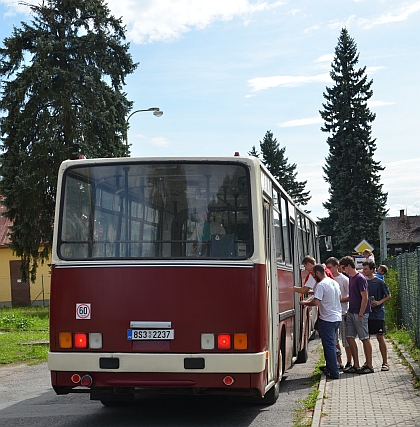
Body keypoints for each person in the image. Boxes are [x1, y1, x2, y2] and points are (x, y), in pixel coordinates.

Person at [299, 264, 342, 379]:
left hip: (327, 319)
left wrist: (304, 303)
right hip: (337, 317)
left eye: (313, 274)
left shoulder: (321, 285)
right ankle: (331, 365)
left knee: (328, 346)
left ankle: (333, 372)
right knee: (331, 344)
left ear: (318, 273)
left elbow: (315, 302)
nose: (313, 276)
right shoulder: (334, 283)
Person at [339, 256, 374, 374]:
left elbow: (365, 297)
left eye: (343, 268)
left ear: (349, 266)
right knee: (349, 337)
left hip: (360, 313)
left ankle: (369, 365)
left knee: (364, 338)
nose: (343, 270)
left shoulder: (359, 278)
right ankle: (356, 364)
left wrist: (361, 313)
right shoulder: (351, 278)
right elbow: (353, 296)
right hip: (352, 311)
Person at [362, 261, 392, 371]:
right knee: (366, 338)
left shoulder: (379, 282)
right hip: (366, 313)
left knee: (380, 336)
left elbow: (388, 295)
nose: (363, 271)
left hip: (378, 313)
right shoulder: (362, 281)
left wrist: (379, 302)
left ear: (372, 269)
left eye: (365, 269)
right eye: (363, 269)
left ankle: (385, 362)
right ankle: (368, 362)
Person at [325, 257, 352, 369]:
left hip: (343, 312)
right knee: (334, 340)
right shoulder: (327, 280)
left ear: (337, 267)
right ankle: (339, 362)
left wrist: (339, 300)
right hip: (333, 314)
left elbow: (351, 296)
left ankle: (349, 362)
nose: (329, 269)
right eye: (327, 268)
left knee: (346, 340)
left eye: (330, 267)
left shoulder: (344, 279)